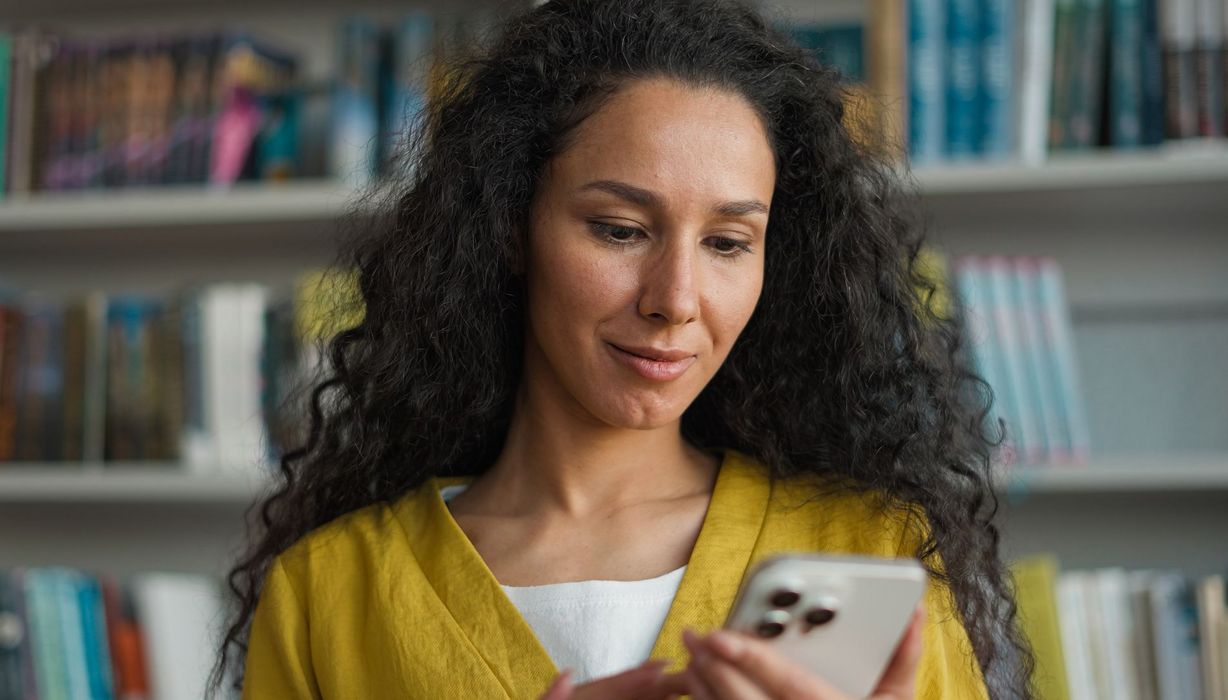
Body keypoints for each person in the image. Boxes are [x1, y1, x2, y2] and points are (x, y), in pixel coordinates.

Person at [210, 0, 1034, 698]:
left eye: (727, 243)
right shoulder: (329, 593)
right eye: (619, 230)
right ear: (510, 227)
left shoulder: (870, 554)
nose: (675, 300)